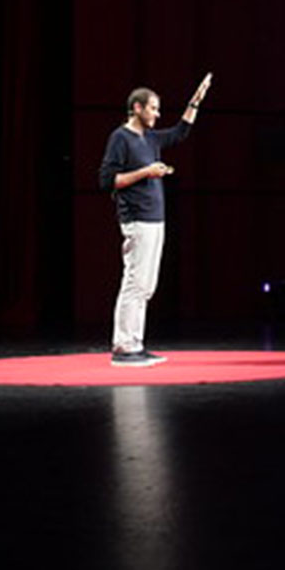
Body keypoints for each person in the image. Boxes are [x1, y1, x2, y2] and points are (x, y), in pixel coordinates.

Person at [98, 74, 212, 366]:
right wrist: (146, 172)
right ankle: (123, 346)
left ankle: (135, 343)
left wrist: (195, 101)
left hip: (154, 219)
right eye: (153, 108)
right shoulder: (120, 138)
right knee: (135, 282)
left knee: (146, 285)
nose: (157, 114)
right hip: (136, 218)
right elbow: (107, 180)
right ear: (137, 108)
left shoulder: (149, 138)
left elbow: (180, 132)